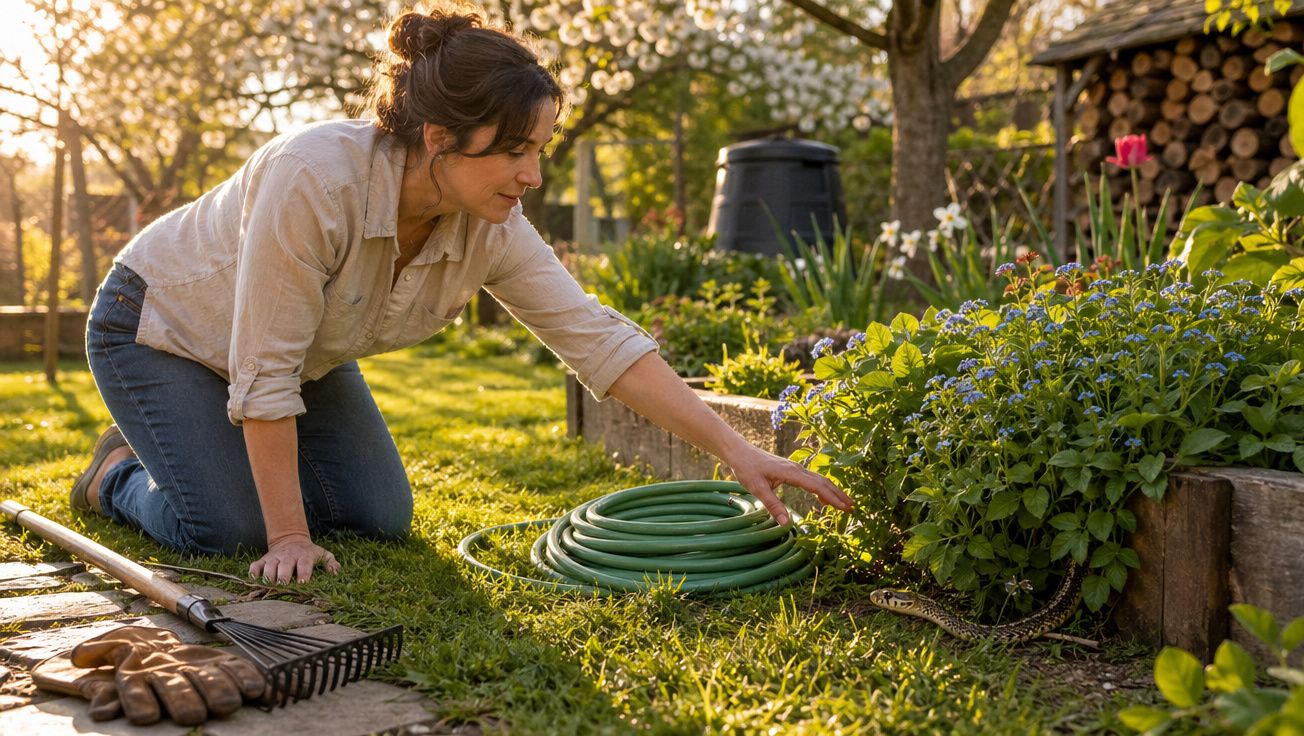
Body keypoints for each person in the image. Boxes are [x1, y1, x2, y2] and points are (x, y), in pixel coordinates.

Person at [73, 2, 853, 586]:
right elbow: (264, 368)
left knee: (379, 518)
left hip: (302, 354)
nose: (533, 175)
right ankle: (114, 475)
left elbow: (595, 338)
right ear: (440, 138)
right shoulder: (315, 177)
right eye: (514, 151)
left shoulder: (489, 221)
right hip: (161, 326)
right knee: (231, 528)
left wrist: (736, 448)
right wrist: (286, 538)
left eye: (539, 149)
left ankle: (204, 453)